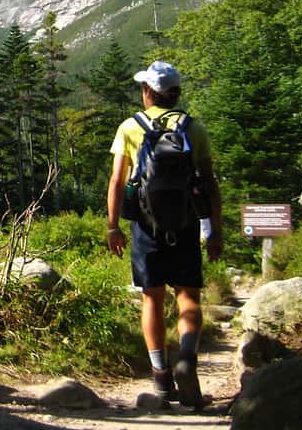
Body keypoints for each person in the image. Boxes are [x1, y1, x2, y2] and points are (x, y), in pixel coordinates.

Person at [106, 60, 222, 408]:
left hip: (145, 226)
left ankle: (161, 379)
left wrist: (113, 226)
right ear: (175, 93)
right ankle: (186, 356)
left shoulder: (130, 127)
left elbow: (116, 181)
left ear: (147, 92)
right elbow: (210, 184)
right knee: (188, 295)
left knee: (152, 298)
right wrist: (215, 231)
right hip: (185, 225)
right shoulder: (193, 128)